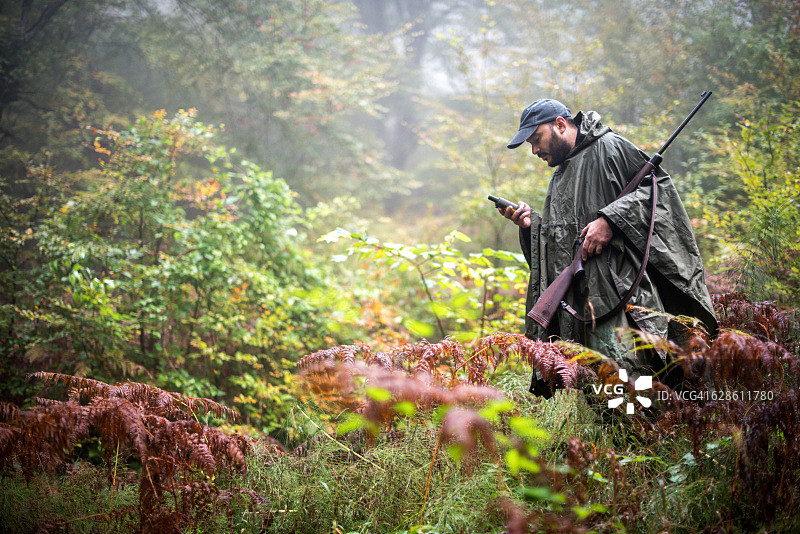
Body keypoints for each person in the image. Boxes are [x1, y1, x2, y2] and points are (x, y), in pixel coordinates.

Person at [500, 98, 717, 395]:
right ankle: (615, 442)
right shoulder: (561, 172)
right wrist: (531, 226)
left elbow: (659, 194)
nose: (535, 150)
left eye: (536, 139)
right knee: (602, 390)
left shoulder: (610, 148)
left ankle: (654, 438)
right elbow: (563, 240)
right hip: (581, 303)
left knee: (633, 378)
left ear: (560, 125)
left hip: (620, 296)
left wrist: (611, 220)